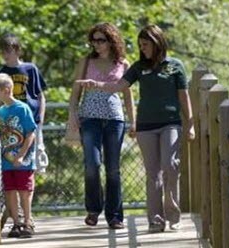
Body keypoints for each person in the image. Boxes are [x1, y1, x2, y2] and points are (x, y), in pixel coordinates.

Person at [77, 25, 195, 233]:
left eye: (146, 44)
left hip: (170, 123)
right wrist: (96, 84)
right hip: (146, 126)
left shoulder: (175, 66)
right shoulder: (139, 67)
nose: (143, 48)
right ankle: (155, 220)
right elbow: (117, 86)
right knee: (153, 174)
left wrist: (191, 124)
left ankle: (173, 214)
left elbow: (183, 97)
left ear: (157, 43)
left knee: (170, 165)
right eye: (140, 45)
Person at [68, 22, 135, 229]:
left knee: (113, 169)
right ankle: (93, 209)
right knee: (92, 164)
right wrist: (72, 115)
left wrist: (134, 121)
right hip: (90, 119)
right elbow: (75, 93)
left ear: (111, 40)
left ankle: (114, 215)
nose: (96, 44)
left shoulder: (123, 64)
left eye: (100, 40)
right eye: (93, 40)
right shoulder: (86, 62)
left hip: (115, 120)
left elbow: (128, 95)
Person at [0, 73, 38, 238]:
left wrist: (21, 155)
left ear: (6, 90)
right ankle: (16, 223)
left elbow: (31, 133)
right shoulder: (1, 110)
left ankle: (27, 221)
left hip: (23, 160)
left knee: (24, 191)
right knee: (10, 190)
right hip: (6, 160)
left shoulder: (21, 108)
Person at [0, 33, 49, 173]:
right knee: (14, 159)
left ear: (18, 51)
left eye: (8, 50)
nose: (4, 54)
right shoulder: (1, 74)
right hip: (12, 124)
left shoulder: (31, 69)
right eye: (2, 51)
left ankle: (29, 191)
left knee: (34, 160)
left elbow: (40, 95)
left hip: (31, 121)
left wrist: (40, 119)